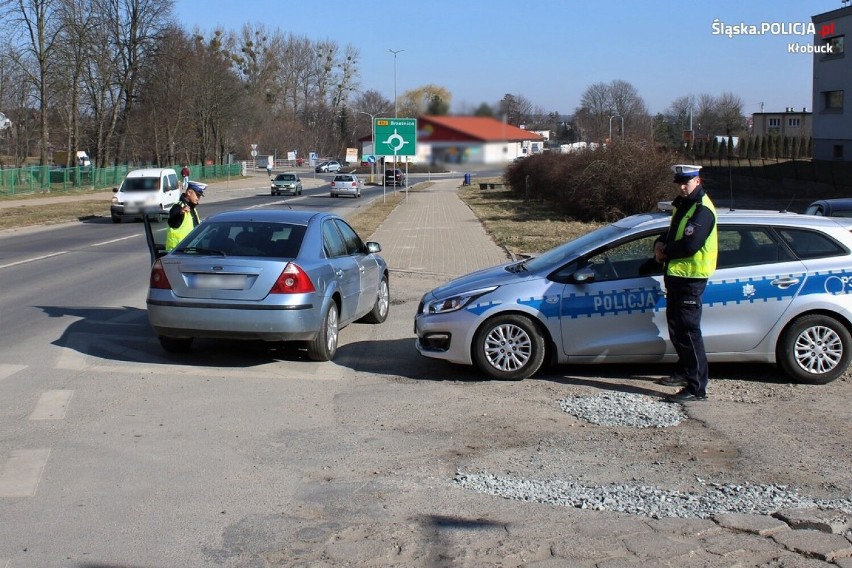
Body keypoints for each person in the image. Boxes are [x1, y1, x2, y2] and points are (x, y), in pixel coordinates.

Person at [654, 164, 718, 402]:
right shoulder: (685, 205)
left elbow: (690, 245)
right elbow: (673, 233)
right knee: (678, 329)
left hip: (691, 278)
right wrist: (659, 245)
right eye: (679, 182)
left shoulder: (702, 210)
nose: (682, 187)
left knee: (689, 332)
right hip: (678, 276)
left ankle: (697, 387)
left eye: (687, 182)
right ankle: (683, 372)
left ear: (698, 182)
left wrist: (665, 252)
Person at [165, 181, 206, 251]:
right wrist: (180, 213)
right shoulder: (178, 207)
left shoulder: (192, 208)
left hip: (189, 250)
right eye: (197, 195)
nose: (198, 198)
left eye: (199, 196)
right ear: (189, 192)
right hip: (177, 252)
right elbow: (172, 223)